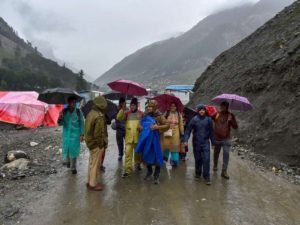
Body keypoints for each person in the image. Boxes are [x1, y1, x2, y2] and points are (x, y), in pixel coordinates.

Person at [138, 100, 169, 184]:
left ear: (154, 107)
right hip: (147, 139)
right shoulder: (145, 115)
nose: (148, 108)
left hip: (158, 139)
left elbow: (167, 125)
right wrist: (140, 127)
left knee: (157, 156)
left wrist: (157, 127)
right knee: (147, 154)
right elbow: (140, 124)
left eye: (150, 107)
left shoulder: (160, 115)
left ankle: (156, 175)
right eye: (148, 107)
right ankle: (149, 171)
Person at [184, 104, 215, 185]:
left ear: (205, 111)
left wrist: (213, 143)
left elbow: (212, 132)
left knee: (207, 159)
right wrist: (186, 140)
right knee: (198, 159)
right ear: (198, 111)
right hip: (196, 142)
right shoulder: (194, 119)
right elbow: (188, 130)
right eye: (200, 110)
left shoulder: (209, 120)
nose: (202, 111)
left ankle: (207, 177)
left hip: (205, 143)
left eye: (203, 110)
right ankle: (198, 174)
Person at [85, 96, 108, 191]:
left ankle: (89, 180)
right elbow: (99, 133)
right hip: (96, 144)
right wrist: (101, 144)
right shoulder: (99, 116)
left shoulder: (90, 113)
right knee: (96, 164)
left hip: (90, 142)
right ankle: (93, 184)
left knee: (91, 162)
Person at [117, 98, 144, 178]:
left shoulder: (141, 114)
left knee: (138, 153)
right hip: (128, 137)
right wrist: (122, 108)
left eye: (134, 105)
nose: (132, 107)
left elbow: (145, 123)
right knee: (128, 153)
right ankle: (127, 170)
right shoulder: (126, 113)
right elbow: (118, 118)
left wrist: (142, 127)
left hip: (137, 137)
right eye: (131, 105)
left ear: (136, 106)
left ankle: (138, 164)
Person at [58, 96, 84, 175]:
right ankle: (68, 161)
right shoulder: (64, 111)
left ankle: (73, 167)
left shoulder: (78, 112)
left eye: (75, 102)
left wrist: (82, 134)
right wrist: (60, 117)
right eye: (72, 102)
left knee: (74, 150)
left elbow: (82, 123)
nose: (74, 104)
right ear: (68, 103)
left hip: (75, 134)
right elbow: (60, 123)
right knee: (67, 149)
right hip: (66, 135)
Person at [213, 101, 238, 180]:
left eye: (224, 106)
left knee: (226, 153)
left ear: (227, 107)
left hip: (226, 138)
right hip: (217, 138)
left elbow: (235, 127)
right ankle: (215, 165)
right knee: (216, 152)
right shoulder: (216, 114)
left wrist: (231, 120)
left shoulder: (231, 115)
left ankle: (224, 171)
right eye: (221, 106)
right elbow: (209, 119)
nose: (222, 107)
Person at [162, 102, 184, 167]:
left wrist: (182, 134)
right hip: (167, 131)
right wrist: (167, 123)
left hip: (176, 133)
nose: (173, 107)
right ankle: (164, 160)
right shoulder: (166, 113)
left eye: (174, 106)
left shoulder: (179, 114)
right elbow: (162, 121)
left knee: (175, 146)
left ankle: (174, 162)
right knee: (166, 146)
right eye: (171, 106)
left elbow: (181, 124)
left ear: (176, 107)